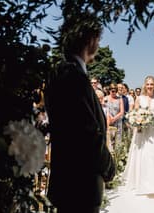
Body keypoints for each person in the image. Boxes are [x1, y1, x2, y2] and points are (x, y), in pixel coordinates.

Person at [45, 13, 115, 213]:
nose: (98, 45)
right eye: (98, 40)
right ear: (90, 40)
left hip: (70, 185)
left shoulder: (64, 73)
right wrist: (109, 166)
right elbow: (88, 134)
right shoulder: (72, 76)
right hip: (79, 185)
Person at [123, 76, 154, 195]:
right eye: (148, 84)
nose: (150, 86)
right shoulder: (139, 98)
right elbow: (134, 113)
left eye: (152, 84)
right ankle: (142, 182)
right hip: (142, 129)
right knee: (143, 153)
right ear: (145, 85)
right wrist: (137, 123)